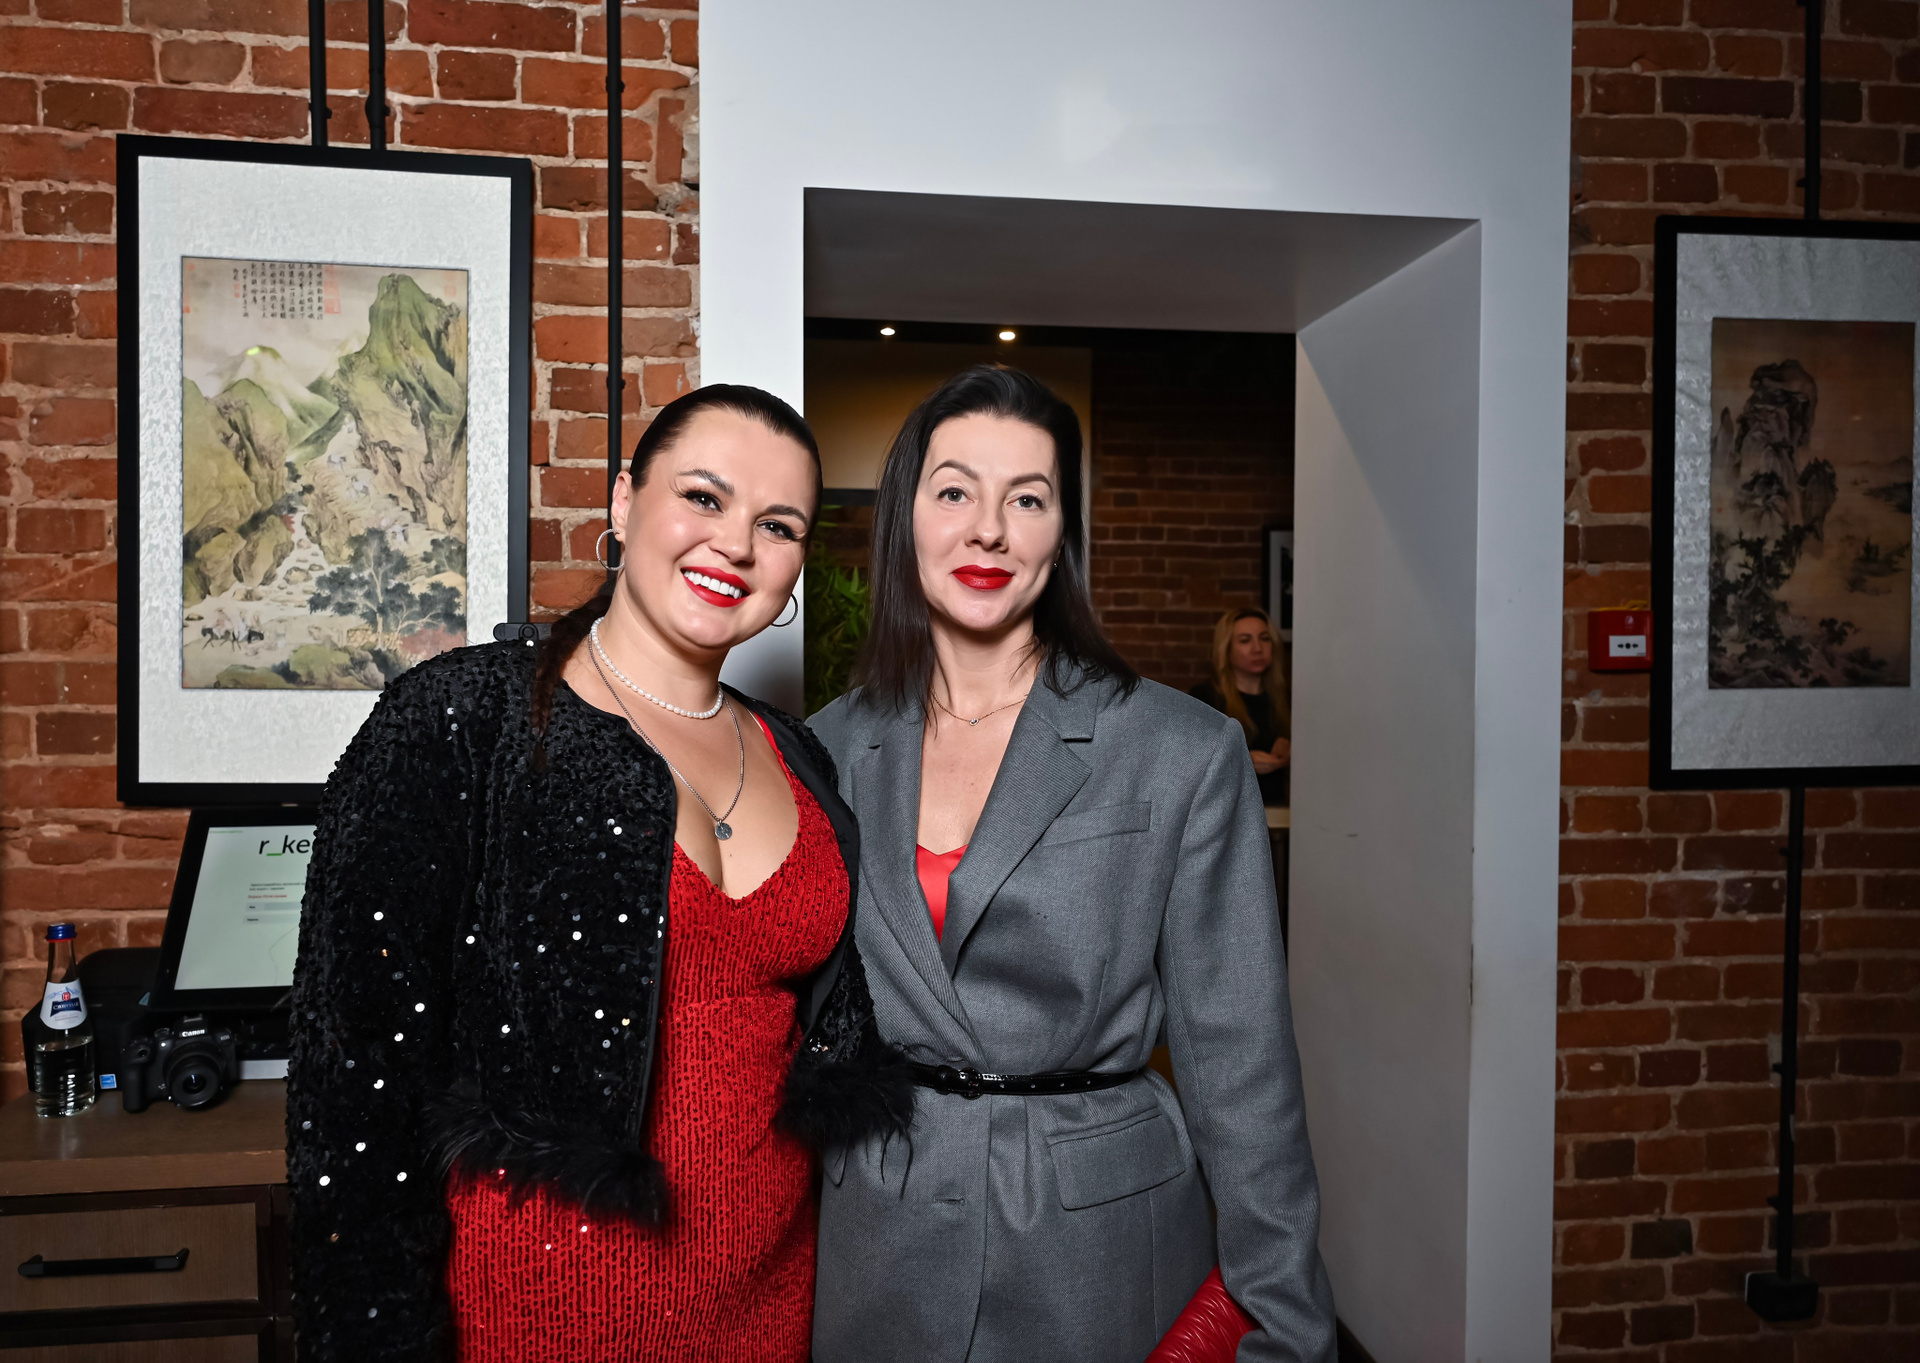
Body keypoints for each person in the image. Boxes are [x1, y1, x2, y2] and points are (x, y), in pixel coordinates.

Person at [287, 386, 911, 1363]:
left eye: (777, 524)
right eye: (703, 497)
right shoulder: (465, 719)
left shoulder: (800, 754)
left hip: (772, 1300)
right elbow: (353, 1080)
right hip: (536, 1312)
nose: (735, 544)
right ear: (624, 501)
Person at [808, 365, 1334, 1363]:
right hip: (880, 1240)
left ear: (1063, 534)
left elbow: (1241, 1060)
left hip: (1094, 1244)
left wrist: (1286, 1323)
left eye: (1028, 499)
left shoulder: (1180, 748)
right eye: (954, 491)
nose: (988, 530)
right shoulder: (825, 746)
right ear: (905, 517)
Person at [1191, 607, 1292, 807]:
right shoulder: (1206, 698)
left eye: (1264, 638)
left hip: (1283, 810)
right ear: (1226, 648)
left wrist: (1292, 751)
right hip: (1229, 809)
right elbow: (1193, 761)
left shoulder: (1287, 698)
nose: (1257, 648)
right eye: (1245, 640)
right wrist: (1244, 760)